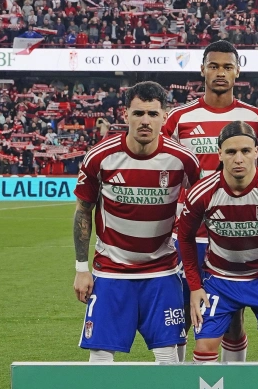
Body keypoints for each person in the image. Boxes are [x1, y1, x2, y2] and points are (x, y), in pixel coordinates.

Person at [72, 81, 200, 363]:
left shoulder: (183, 159)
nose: (145, 121)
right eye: (138, 113)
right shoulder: (100, 157)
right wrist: (82, 269)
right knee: (101, 357)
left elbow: (204, 205)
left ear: (164, 117)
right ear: (125, 114)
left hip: (163, 272)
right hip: (111, 273)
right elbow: (83, 211)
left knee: (169, 359)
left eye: (153, 114)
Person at [162, 40, 258, 363]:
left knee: (233, 316)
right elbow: (166, 169)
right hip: (191, 233)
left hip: (238, 233)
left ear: (238, 71)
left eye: (227, 66)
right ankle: (181, 383)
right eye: (214, 66)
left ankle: (233, 385)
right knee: (183, 309)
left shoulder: (257, 117)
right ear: (202, 70)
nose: (220, 72)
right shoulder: (180, 118)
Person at [178, 121, 258, 363]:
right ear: (219, 154)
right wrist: (195, 287)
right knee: (205, 347)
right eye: (231, 152)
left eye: (246, 151)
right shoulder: (201, 193)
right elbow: (184, 237)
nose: (239, 159)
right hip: (219, 278)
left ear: (256, 152)